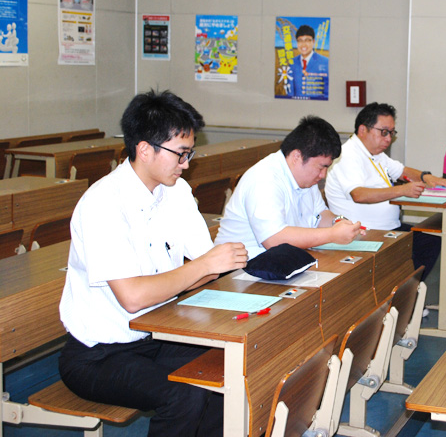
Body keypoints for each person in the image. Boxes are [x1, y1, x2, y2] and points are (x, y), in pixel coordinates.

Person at [58, 90, 249, 437]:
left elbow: (203, 271)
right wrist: (206, 265)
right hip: (99, 354)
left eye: (189, 154)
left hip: (156, 334)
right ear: (145, 150)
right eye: (181, 154)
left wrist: (217, 264)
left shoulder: (175, 192)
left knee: (229, 373)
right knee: (184, 396)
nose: (186, 164)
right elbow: (133, 297)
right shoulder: (103, 203)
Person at [325, 102, 446, 279]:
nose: (388, 139)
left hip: (388, 227)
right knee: (419, 247)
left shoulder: (375, 153)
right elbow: (359, 195)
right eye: (383, 132)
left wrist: (426, 177)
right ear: (363, 130)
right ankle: (406, 295)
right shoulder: (348, 155)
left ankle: (410, 293)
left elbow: (401, 171)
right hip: (365, 232)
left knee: (430, 240)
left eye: (391, 133)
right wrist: (402, 190)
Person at [215, 115, 363, 256]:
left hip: (279, 264)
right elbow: (274, 240)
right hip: (239, 271)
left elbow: (319, 214)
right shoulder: (264, 179)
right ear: (297, 157)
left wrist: (337, 222)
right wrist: (332, 234)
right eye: (321, 167)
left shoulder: (306, 179)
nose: (323, 175)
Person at [288, 24, 329, 98]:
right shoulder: (292, 63)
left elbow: (328, 94)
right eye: (300, 40)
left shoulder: (326, 62)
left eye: (307, 40)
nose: (303, 44)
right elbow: (290, 92)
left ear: (313, 42)